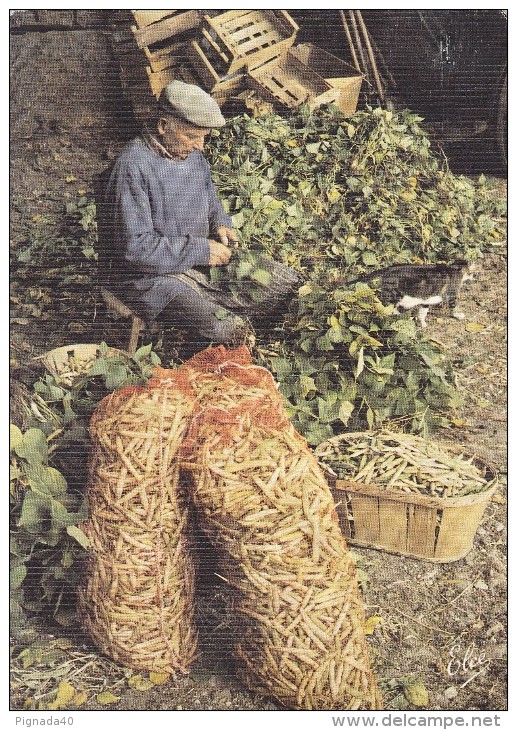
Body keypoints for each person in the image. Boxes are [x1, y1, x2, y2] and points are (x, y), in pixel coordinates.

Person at [102, 80, 300, 354]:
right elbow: (135, 250)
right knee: (227, 327)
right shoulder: (131, 168)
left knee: (288, 285)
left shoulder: (191, 156)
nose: (200, 146)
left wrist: (220, 222)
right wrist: (200, 250)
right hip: (147, 276)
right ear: (163, 126)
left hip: (196, 256)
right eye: (192, 136)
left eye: (204, 137)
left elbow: (209, 196)